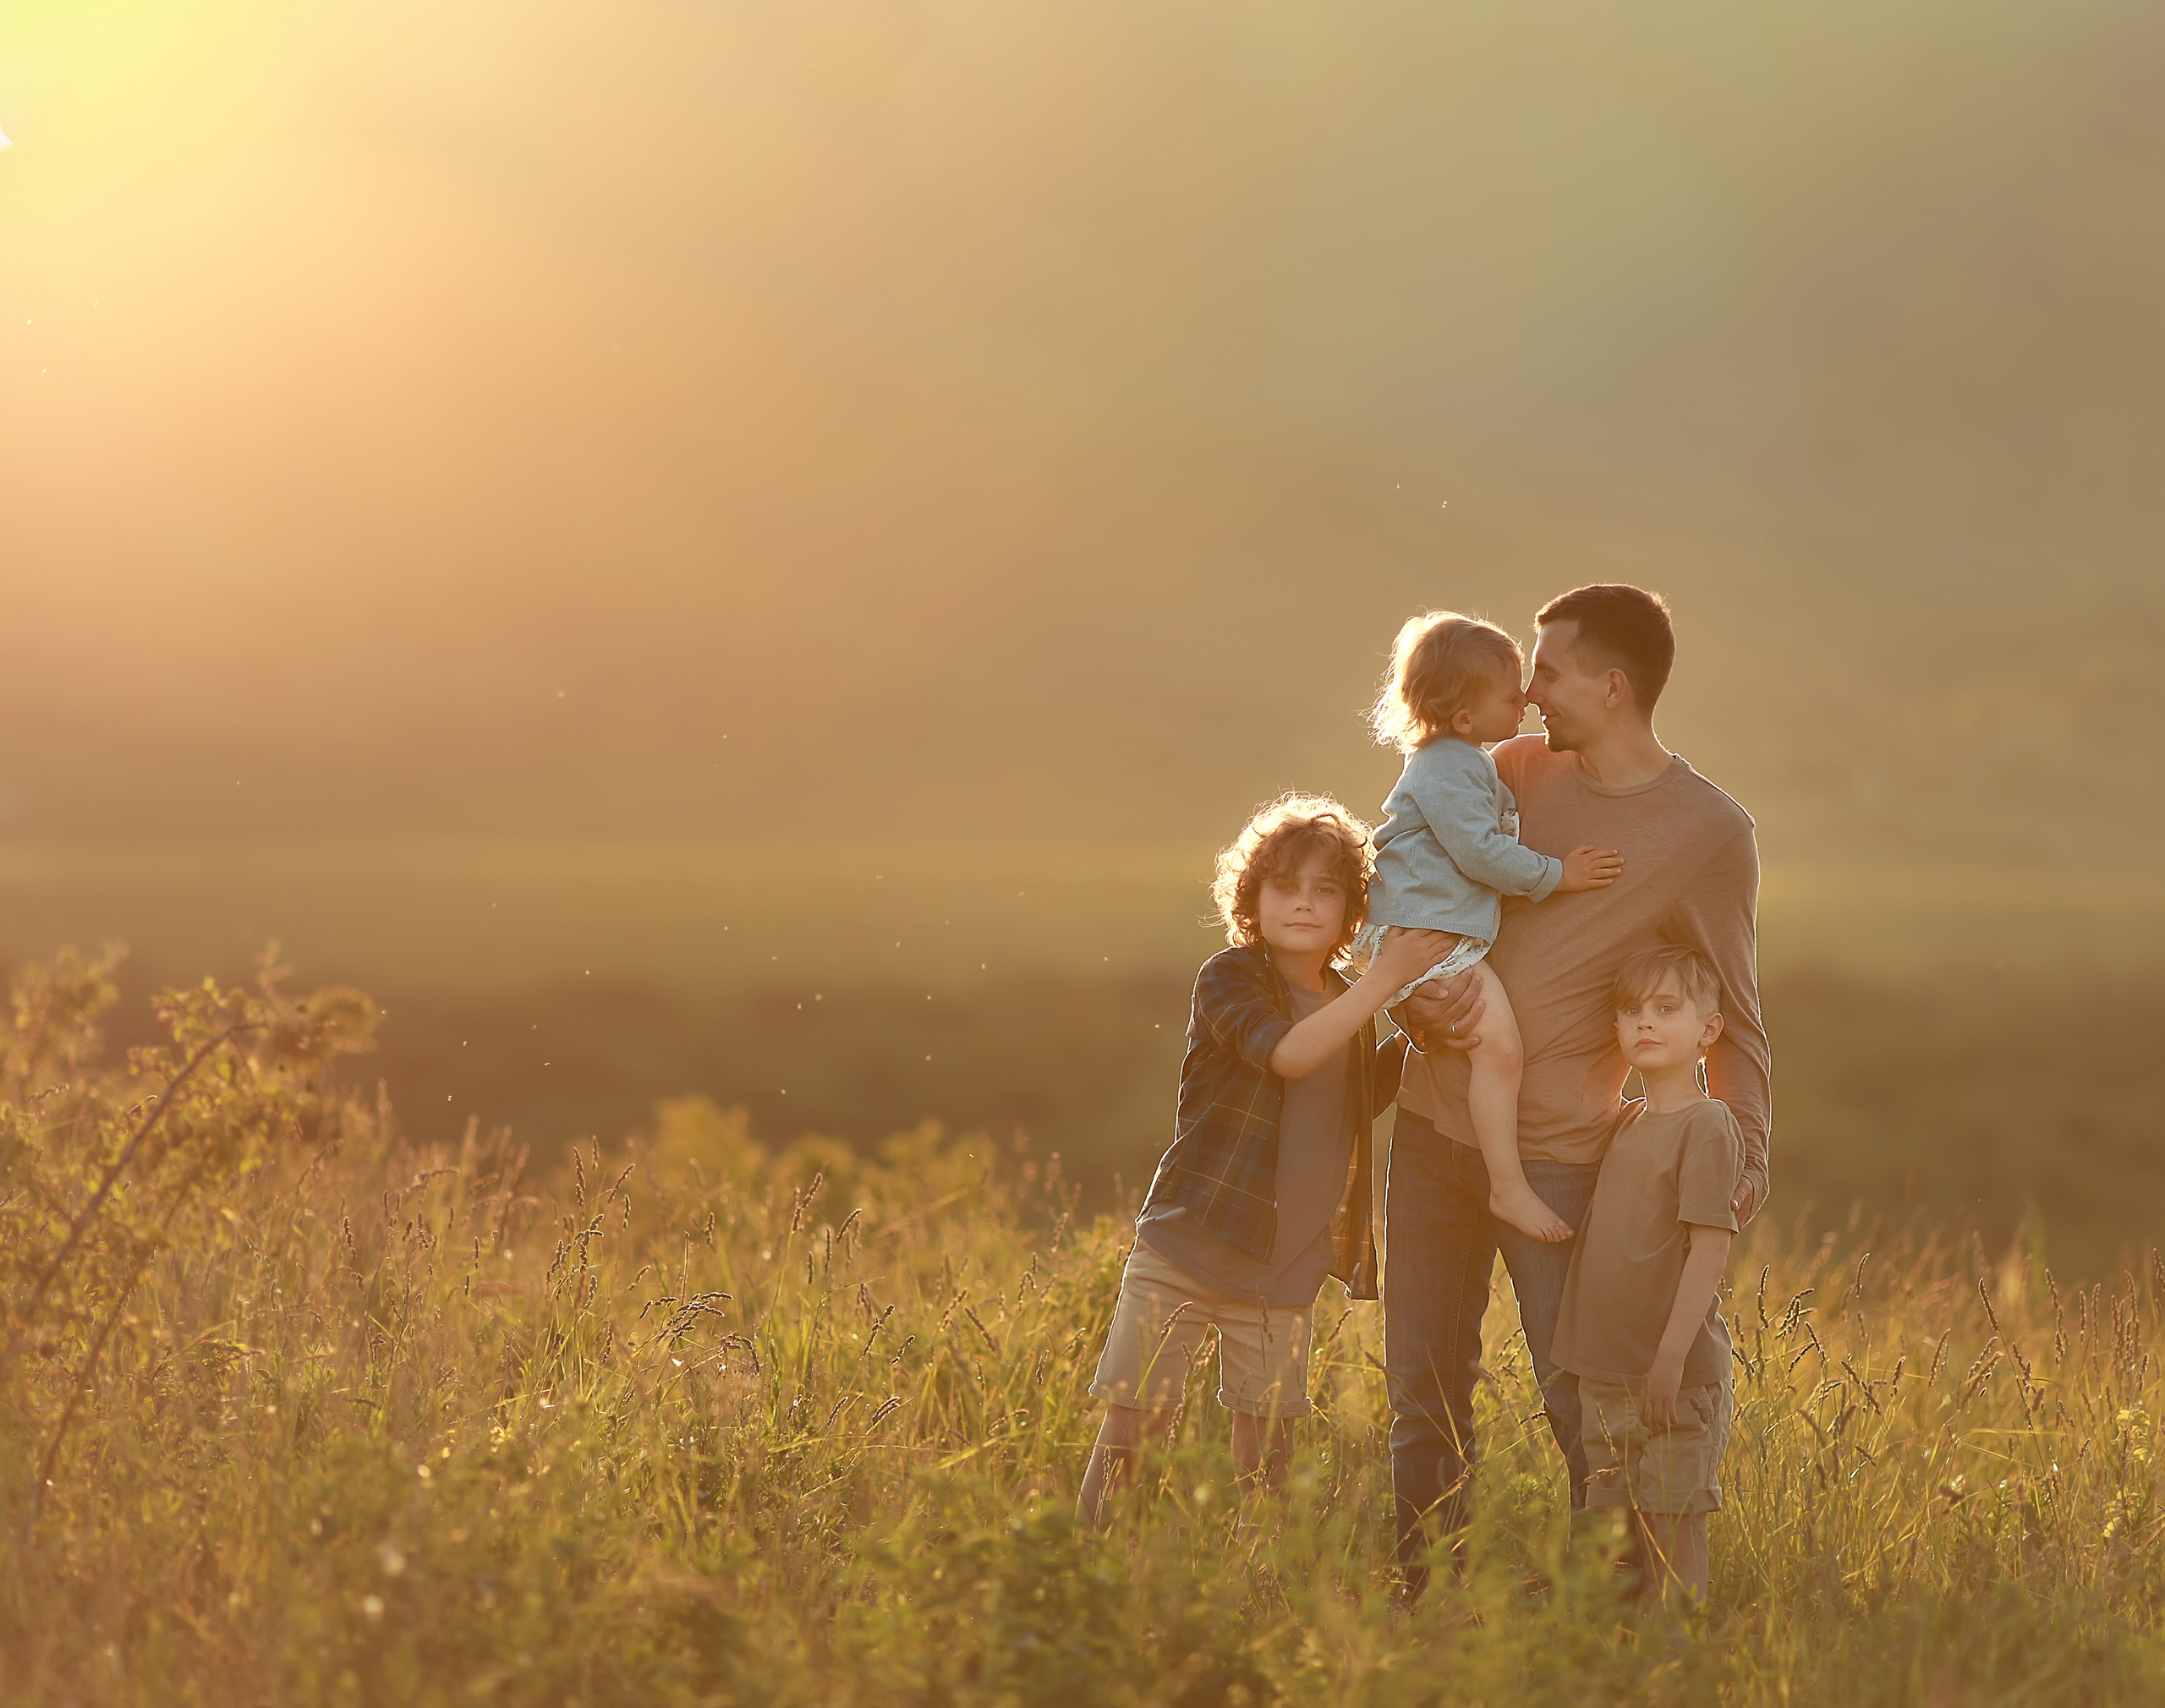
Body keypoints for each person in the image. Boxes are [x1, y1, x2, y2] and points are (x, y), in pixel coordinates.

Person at [1384, 583, 1770, 1589]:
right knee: (1422, 1389)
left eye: (1545, 671)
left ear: (1610, 684)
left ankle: (1619, 1601)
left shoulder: (1706, 830)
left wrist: (1747, 1157)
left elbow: (1736, 1008)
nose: (1528, 689)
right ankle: (1427, 1597)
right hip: (1432, 1130)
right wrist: (1406, 1005)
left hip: (1559, 1155)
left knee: (1578, 1389)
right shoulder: (1503, 768)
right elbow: (1412, 898)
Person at [1077, 793, 1452, 1528]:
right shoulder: (1230, 977)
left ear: (1353, 911)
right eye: (1285, 888)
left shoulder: (1346, 995)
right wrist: (1386, 981)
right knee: (1137, 1428)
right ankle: (1091, 1569)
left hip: (1287, 1266)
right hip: (1192, 1241)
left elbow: (1347, 1097)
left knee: (1269, 1454)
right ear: (1254, 896)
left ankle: (1260, 1594)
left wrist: (1418, 1034)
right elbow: (1287, 1057)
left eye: (1325, 891)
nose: (1304, 905)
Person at [1357, 611, 1625, 1243]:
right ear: (1462, 718)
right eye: (1511, 696)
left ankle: (1496, 1178)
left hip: (1432, 927)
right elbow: (1478, 851)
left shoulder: (1458, 758)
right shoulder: (1448, 765)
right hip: (1427, 931)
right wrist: (1557, 875)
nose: (1527, 701)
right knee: (1501, 1051)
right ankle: (1507, 1187)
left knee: (1484, 1046)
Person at [1551, 944, 1742, 1611]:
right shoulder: (1627, 1120)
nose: (1645, 1023)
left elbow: (1710, 1250)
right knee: (1610, 1523)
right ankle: (1611, 1650)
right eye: (1630, 1011)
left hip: (1673, 1377)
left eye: (1666, 1009)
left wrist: (1669, 1356)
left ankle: (1679, 1650)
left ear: (1707, 1031)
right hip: (1606, 1374)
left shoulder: (1708, 1125)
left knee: (1672, 1519)